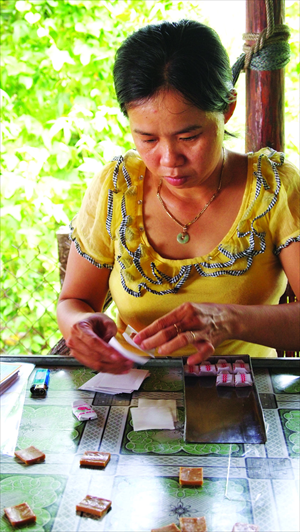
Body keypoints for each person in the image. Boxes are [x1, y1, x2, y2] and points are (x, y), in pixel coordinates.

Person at [57, 20, 300, 374]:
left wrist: (230, 319)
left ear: (227, 108)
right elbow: (74, 300)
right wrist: (79, 326)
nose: (169, 160)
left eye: (188, 137)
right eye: (148, 139)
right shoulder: (117, 187)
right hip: (134, 389)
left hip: (244, 393)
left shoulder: (274, 189)